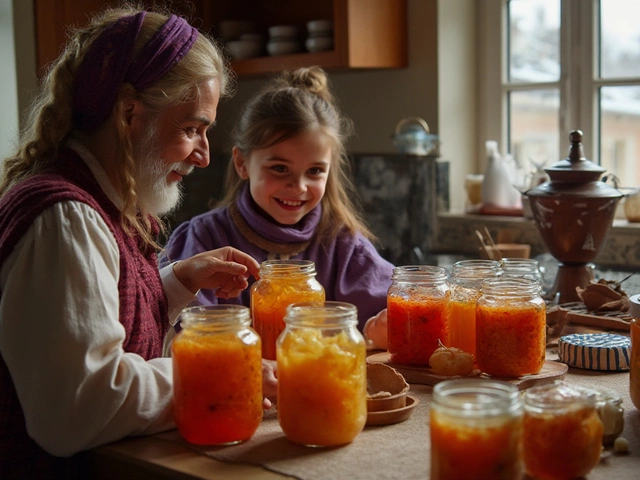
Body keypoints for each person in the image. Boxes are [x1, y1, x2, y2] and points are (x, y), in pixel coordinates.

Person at [0, 6, 277, 479]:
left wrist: (175, 283)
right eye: (193, 128)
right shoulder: (65, 219)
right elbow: (77, 406)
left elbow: (95, 321)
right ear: (129, 113)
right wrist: (226, 370)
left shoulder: (103, 204)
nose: (205, 155)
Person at [160, 66, 394, 349]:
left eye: (315, 171)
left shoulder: (343, 244)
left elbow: (385, 313)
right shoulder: (202, 238)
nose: (299, 186)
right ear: (242, 163)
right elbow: (186, 329)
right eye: (280, 168)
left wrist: (374, 330)